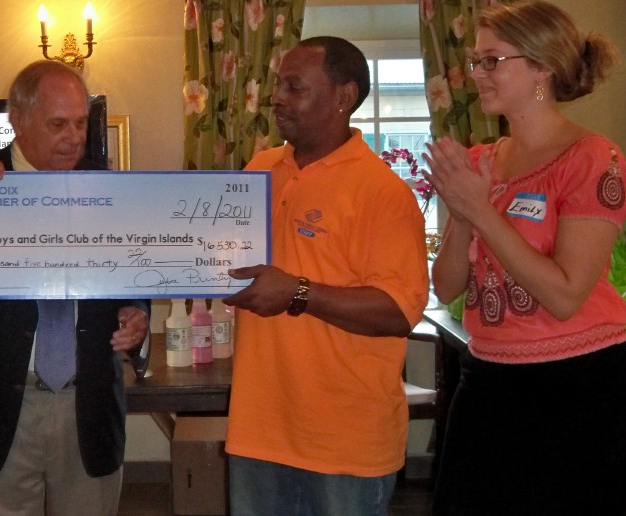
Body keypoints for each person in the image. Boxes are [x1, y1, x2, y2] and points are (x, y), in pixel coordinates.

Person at [423, 2, 626, 514]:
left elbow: (564, 295)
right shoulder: (481, 161)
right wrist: (465, 213)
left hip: (577, 385)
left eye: (492, 60)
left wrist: (479, 209)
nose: (477, 75)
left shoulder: (594, 158)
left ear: (542, 66)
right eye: (474, 61)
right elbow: (445, 285)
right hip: (488, 375)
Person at [0, 60, 150, 516]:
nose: (73, 137)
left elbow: (136, 276)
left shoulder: (111, 191)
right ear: (17, 118)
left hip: (86, 407)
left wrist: (136, 312)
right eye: (57, 124)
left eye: (80, 123)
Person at [223, 36, 430, 515]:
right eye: (278, 84)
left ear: (343, 97)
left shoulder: (382, 192)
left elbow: (400, 311)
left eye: (294, 87)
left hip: (345, 443)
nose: (277, 97)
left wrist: (297, 292)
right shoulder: (258, 170)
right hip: (258, 431)